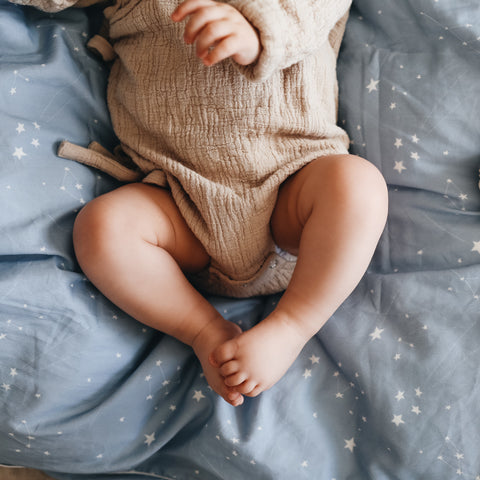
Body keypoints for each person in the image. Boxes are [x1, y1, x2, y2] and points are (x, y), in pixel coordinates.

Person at [71, 0, 389, 407]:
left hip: (292, 194)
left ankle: (292, 326)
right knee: (104, 226)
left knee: (356, 185)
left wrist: (258, 30)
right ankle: (204, 331)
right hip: (178, 205)